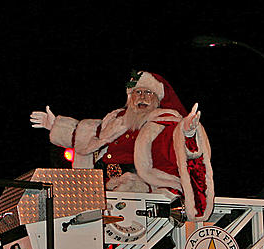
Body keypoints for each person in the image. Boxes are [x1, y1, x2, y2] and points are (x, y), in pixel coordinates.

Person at [30, 70, 214, 221]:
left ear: (157, 99)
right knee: (57, 197)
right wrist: (54, 126)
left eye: (148, 93)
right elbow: (90, 133)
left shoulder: (163, 123)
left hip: (140, 187)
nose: (142, 97)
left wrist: (188, 132)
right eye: (138, 92)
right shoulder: (117, 119)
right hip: (104, 186)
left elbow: (174, 144)